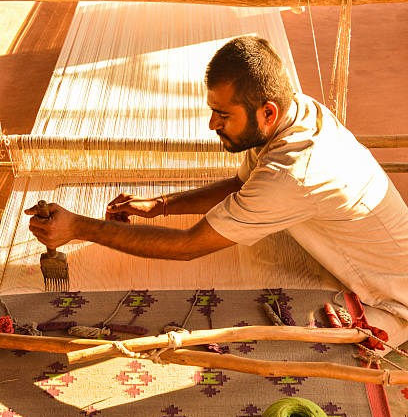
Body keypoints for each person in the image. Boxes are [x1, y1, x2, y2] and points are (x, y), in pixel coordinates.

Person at [25, 36, 408, 350]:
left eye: (223, 115)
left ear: (267, 112)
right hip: (370, 264)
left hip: (392, 298)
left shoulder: (294, 174)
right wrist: (160, 206)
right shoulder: (297, 112)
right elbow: (243, 184)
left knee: (294, 360)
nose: (212, 124)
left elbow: (188, 246)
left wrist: (80, 228)